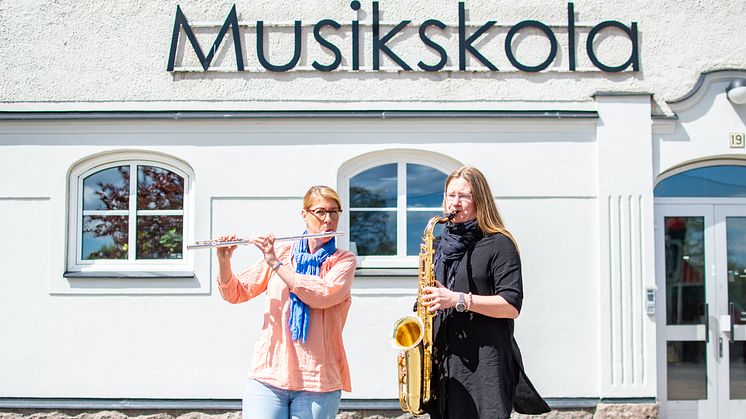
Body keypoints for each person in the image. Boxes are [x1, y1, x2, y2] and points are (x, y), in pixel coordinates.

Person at [215, 185, 356, 419]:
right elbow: (236, 293)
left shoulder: (343, 260)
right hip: (269, 374)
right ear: (305, 215)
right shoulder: (281, 251)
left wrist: (276, 265)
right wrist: (224, 260)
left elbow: (321, 295)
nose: (328, 220)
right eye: (320, 212)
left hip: (318, 380)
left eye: (334, 212)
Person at [421, 166, 551, 419]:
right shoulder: (438, 246)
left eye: (464, 196)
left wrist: (457, 299)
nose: (454, 203)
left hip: (485, 363)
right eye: (450, 195)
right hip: (445, 362)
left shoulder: (500, 243)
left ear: (480, 200)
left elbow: (511, 305)